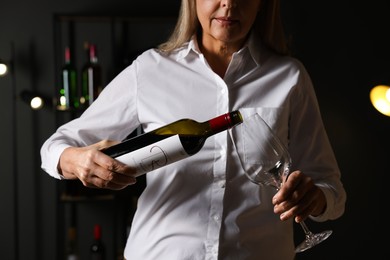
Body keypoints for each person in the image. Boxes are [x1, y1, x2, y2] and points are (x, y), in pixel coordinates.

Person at [40, 0, 347, 259]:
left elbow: (331, 188)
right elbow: (56, 145)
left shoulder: (289, 77)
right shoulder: (151, 69)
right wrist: (76, 161)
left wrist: (315, 198)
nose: (229, 3)